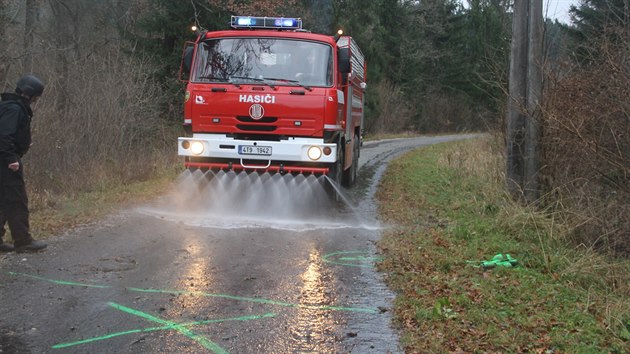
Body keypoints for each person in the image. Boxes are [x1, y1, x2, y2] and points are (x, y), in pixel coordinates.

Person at [0, 75, 48, 253]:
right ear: (29, 94)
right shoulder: (14, 109)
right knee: (16, 200)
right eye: (36, 97)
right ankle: (23, 240)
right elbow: (4, 135)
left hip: (4, 159)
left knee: (3, 200)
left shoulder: (10, 106)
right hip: (6, 161)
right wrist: (11, 158)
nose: (36, 100)